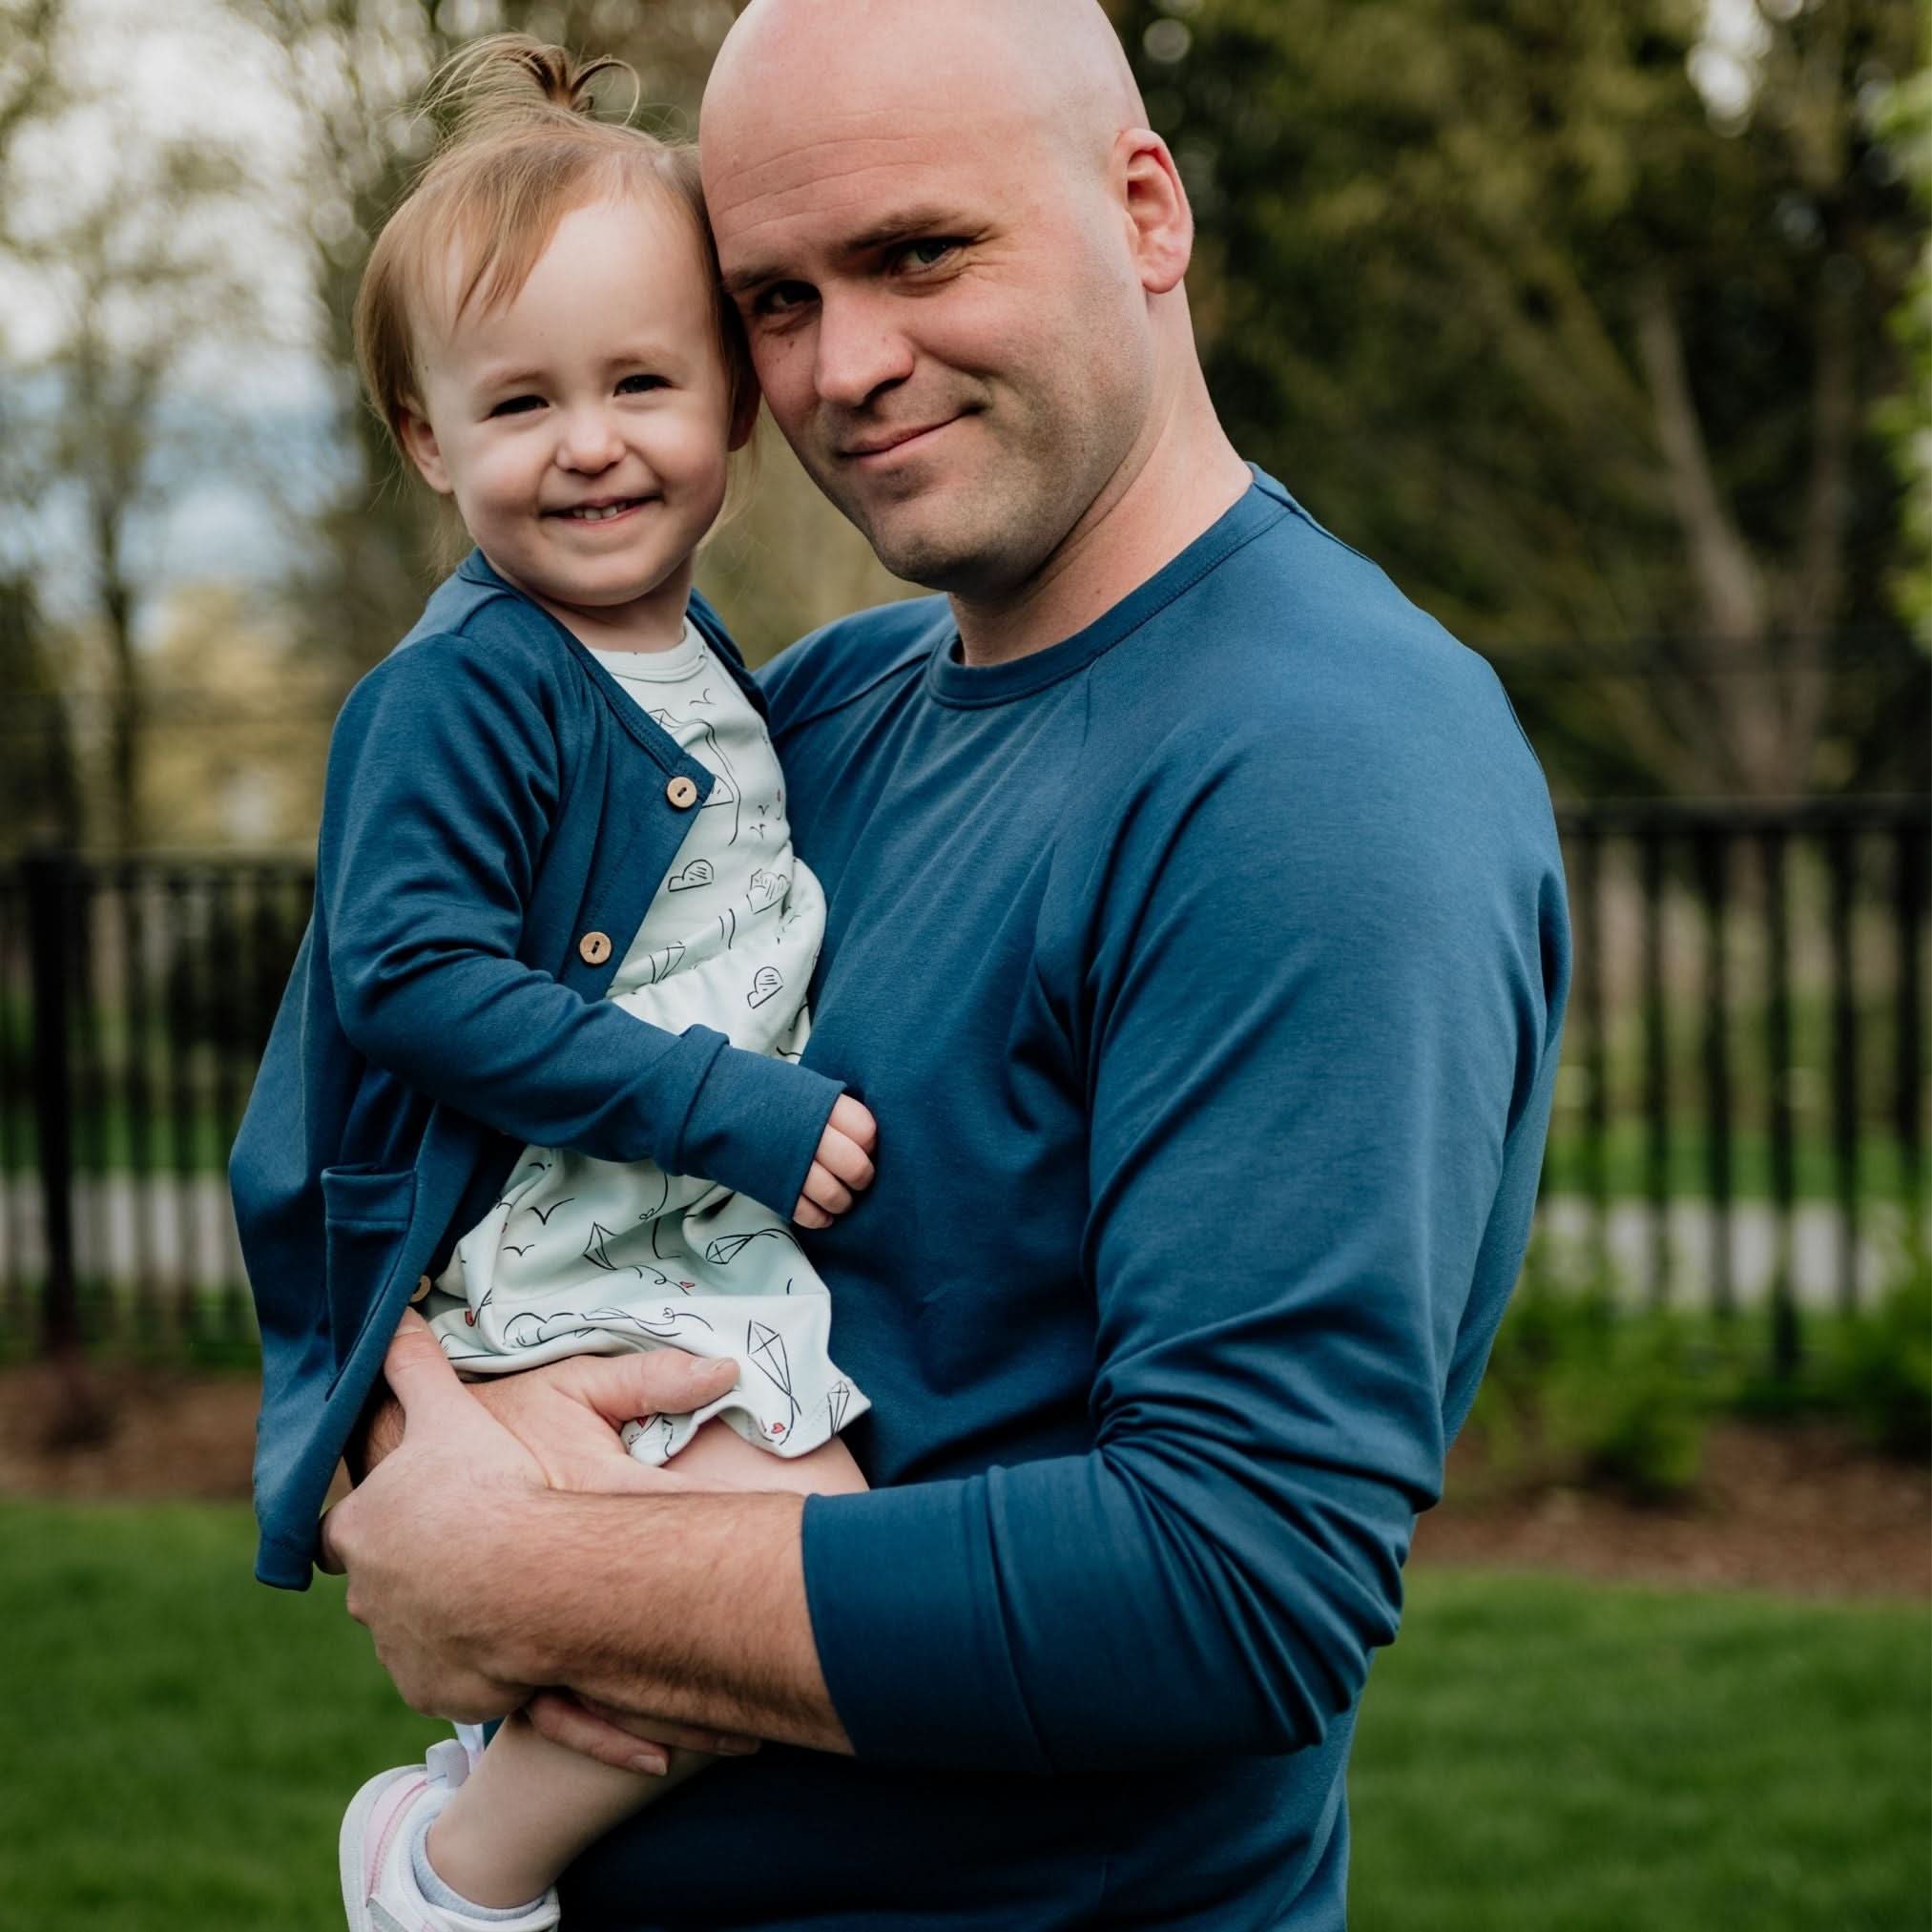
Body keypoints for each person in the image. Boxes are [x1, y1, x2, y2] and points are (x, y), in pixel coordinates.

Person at [315, 1, 1572, 1926]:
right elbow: (416, 1081)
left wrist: (526, 1569)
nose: (849, 365)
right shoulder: (796, 716)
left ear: (1141, 210)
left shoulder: (1320, 764)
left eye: (918, 252)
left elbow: (1235, 1583)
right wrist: (401, 1438)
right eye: (778, 302)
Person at [229, 35, 884, 1932]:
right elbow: (415, 981)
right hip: (558, 1246)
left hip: (685, 1238)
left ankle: (473, 1806)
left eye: (640, 382)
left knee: (804, 1602)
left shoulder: (706, 668)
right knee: (762, 1609)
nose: (587, 440)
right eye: (517, 401)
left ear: (734, 414)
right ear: (428, 441)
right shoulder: (463, 691)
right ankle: (444, 1873)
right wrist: (725, 1110)